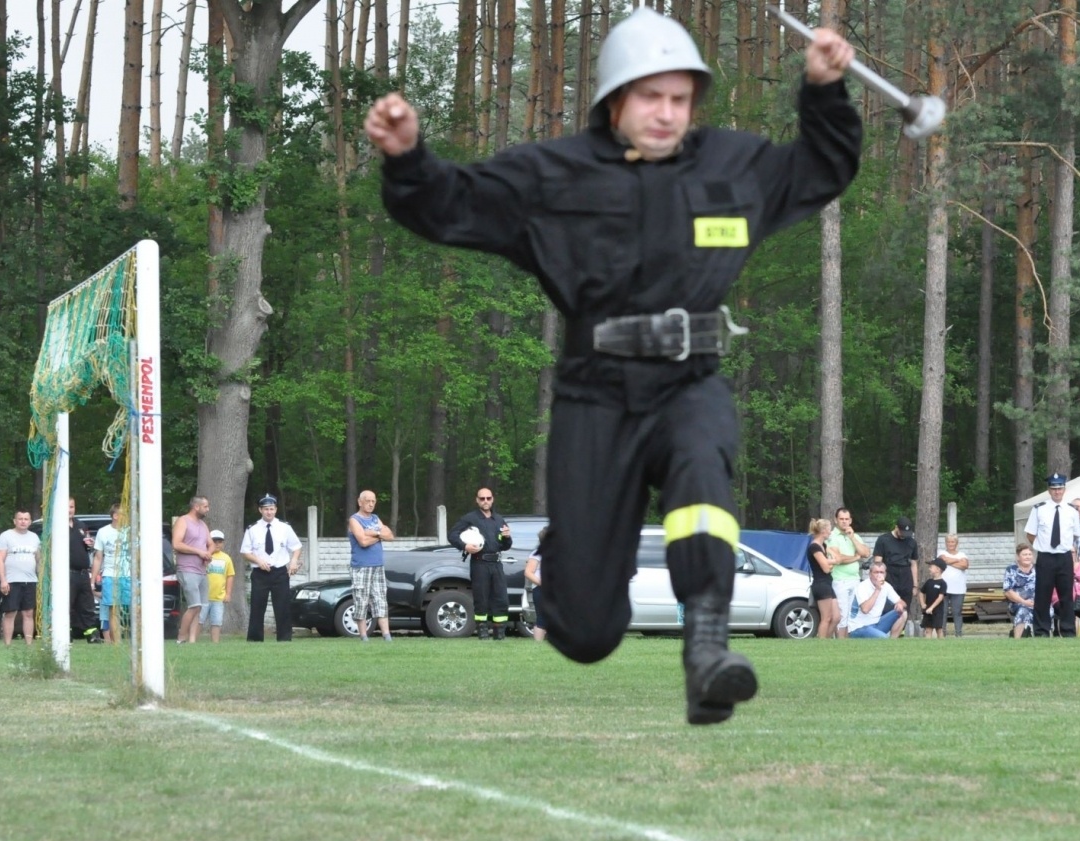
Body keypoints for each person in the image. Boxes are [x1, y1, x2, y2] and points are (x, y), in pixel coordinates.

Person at [366, 8, 862, 724]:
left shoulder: (732, 166)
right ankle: (580, 581)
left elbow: (822, 167)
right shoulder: (555, 175)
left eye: (680, 98)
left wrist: (822, 90)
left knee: (702, 467)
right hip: (595, 391)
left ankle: (708, 648)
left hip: (690, 379)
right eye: (650, 96)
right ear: (614, 100)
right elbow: (454, 204)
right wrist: (409, 157)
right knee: (589, 630)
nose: (666, 113)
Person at [449, 488, 513, 641]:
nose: (485, 501)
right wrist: (465, 546)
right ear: (477, 500)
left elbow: (506, 546)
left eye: (488, 498)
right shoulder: (470, 518)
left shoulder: (499, 519)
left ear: (492, 499)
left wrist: (507, 537)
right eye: (482, 498)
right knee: (481, 598)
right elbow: (452, 535)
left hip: (496, 564)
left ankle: (499, 634)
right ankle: (483, 633)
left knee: (501, 599)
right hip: (480, 563)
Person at [239, 494, 302, 642]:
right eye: (266, 509)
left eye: (272, 509)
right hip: (260, 573)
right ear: (260, 510)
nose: (269, 512)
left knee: (282, 607)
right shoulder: (252, 529)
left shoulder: (284, 527)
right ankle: (255, 640)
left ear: (276, 509)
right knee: (257, 606)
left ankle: (284, 639)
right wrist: (258, 560)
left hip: (279, 572)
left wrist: (294, 561)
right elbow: (245, 552)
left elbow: (297, 547)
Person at [1024, 472, 1080, 637]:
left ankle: (1068, 631)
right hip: (1046, 557)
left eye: (1060, 488)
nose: (1057, 491)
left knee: (1066, 596)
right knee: (1043, 595)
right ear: (1049, 490)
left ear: (1064, 490)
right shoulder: (1039, 509)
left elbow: (1075, 534)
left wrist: (1065, 548)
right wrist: (1041, 546)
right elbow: (1030, 534)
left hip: (1064, 557)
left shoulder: (1071, 510)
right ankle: (1041, 631)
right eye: (1054, 488)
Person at [348, 489, 396, 642]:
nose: (370, 504)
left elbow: (390, 536)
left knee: (381, 600)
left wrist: (374, 533)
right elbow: (362, 541)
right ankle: (363, 636)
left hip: (378, 566)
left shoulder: (375, 518)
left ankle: (386, 636)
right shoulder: (354, 520)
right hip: (361, 567)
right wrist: (379, 535)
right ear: (360, 502)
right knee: (361, 600)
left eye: (373, 501)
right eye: (367, 501)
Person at [0, 510, 41, 647]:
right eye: (20, 519)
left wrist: (40, 578)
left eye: (26, 519)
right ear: (15, 521)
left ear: (30, 521)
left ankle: (29, 644)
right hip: (12, 581)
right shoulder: (6, 536)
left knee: (28, 613)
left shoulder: (34, 537)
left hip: (30, 581)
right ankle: (7, 644)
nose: (23, 521)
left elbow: (38, 560)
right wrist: (3, 580)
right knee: (10, 612)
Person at [171, 496, 211, 644]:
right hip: (187, 569)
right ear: (196, 507)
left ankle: (192, 641)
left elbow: (211, 544)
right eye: (205, 506)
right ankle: (181, 638)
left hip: (201, 570)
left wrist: (208, 554)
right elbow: (177, 544)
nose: (208, 509)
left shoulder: (203, 524)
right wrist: (199, 552)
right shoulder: (183, 521)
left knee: (201, 607)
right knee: (194, 606)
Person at [90, 503, 131, 644]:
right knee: (113, 609)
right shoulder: (103, 532)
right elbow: (98, 558)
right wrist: (92, 580)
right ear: (115, 516)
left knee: (136, 607)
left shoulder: (131, 532)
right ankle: (116, 643)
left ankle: (138, 640)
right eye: (124, 514)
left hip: (128, 575)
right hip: (110, 575)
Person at [872, 518, 920, 629]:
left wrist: (915, 585)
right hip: (889, 575)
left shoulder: (912, 542)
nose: (904, 536)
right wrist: (878, 579)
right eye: (902, 532)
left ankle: (900, 632)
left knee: (904, 608)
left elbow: (914, 564)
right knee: (887, 607)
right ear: (896, 527)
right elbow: (878, 562)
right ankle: (885, 632)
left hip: (906, 576)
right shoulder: (883, 540)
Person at [67, 498, 102, 643]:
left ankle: (92, 634)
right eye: (66, 507)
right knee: (67, 604)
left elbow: (87, 547)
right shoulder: (56, 526)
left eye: (71, 507)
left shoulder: (81, 525)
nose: (69, 510)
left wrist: (90, 544)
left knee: (87, 604)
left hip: (82, 573)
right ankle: (65, 634)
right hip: (67, 573)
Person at [826, 508, 867, 632]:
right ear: (835, 520)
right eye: (841, 519)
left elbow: (865, 553)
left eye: (846, 519)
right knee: (842, 615)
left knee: (852, 615)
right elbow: (838, 558)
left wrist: (852, 538)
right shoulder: (831, 536)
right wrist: (856, 557)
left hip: (855, 579)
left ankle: (848, 640)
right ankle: (840, 641)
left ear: (850, 520)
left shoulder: (854, 536)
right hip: (840, 580)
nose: (844, 521)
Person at [846, 559, 906, 639]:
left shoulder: (886, 586)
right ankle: (887, 641)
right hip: (859, 627)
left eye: (881, 572)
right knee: (883, 639)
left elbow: (902, 603)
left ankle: (893, 641)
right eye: (876, 572)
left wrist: (899, 604)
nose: (879, 575)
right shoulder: (862, 587)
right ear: (870, 574)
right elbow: (865, 610)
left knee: (903, 613)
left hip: (876, 624)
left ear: (885, 574)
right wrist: (877, 589)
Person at [806, 518, 839, 639]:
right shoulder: (814, 547)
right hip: (820, 584)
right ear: (823, 531)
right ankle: (821, 641)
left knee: (836, 617)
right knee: (826, 618)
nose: (830, 532)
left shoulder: (823, 545)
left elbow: (828, 565)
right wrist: (833, 561)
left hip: (827, 583)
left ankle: (826, 640)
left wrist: (829, 562)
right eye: (829, 529)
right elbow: (825, 568)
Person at [203, 530, 236, 643]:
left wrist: (228, 594)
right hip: (203, 596)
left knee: (216, 622)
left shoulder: (226, 558)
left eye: (220, 541)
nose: (217, 544)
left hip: (218, 597)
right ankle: (193, 641)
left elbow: (230, 576)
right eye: (214, 541)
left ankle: (215, 643)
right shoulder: (204, 554)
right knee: (199, 620)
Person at [937, 533, 970, 637]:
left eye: (953, 542)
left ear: (956, 543)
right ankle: (942, 634)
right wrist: (957, 560)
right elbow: (943, 560)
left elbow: (965, 565)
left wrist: (949, 561)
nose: (950, 544)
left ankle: (958, 634)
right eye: (948, 542)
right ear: (945, 543)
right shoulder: (941, 552)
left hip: (958, 589)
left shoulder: (962, 554)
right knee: (943, 612)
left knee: (957, 612)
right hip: (943, 588)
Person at [1002, 544, 1038, 638]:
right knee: (1024, 610)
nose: (1028, 557)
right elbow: (1008, 591)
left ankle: (1044, 639)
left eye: (1030, 554)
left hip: (1036, 602)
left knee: (1048, 610)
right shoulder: (1011, 569)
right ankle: (1017, 640)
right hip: (1017, 602)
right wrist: (1024, 602)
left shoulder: (1038, 569)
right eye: (1024, 554)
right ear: (1018, 556)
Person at [524, 526, 549, 642]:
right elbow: (528, 572)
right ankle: (538, 645)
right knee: (542, 618)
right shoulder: (536, 554)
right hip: (541, 589)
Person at [919, 558, 948, 639]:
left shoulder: (943, 583)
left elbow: (940, 597)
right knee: (928, 629)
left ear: (938, 569)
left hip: (938, 610)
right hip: (928, 610)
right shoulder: (929, 582)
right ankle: (928, 644)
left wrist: (932, 608)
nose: (929, 569)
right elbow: (921, 593)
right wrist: (923, 604)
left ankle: (942, 644)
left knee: (939, 629)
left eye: (931, 567)